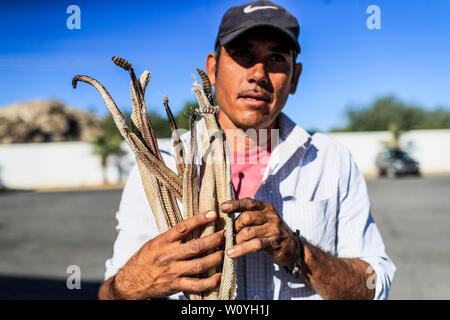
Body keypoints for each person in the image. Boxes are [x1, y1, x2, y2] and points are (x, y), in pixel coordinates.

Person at [98, 0, 395, 300]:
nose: (258, 74)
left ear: (295, 77)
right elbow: (109, 294)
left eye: (276, 58)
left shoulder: (330, 160)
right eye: (242, 55)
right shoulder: (159, 164)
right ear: (212, 69)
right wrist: (133, 283)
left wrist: (298, 252)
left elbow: (374, 285)